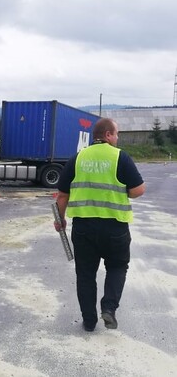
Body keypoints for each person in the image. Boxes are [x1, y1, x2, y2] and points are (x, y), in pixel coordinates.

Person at [54, 118, 145, 332]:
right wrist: (124, 190)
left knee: (85, 274)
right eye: (116, 134)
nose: (117, 138)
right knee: (117, 266)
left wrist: (60, 220)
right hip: (115, 228)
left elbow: (62, 195)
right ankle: (109, 309)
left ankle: (88, 321)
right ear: (107, 135)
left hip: (84, 228)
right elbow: (138, 190)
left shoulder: (77, 158)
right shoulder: (120, 157)